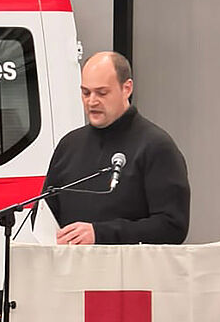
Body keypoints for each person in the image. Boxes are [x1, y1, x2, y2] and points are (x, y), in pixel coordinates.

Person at [43, 51, 190, 245]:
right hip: (71, 263)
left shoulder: (156, 147)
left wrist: (100, 234)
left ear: (127, 88)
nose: (92, 101)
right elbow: (46, 213)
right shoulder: (69, 145)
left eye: (102, 93)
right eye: (86, 93)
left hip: (130, 264)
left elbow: (173, 226)